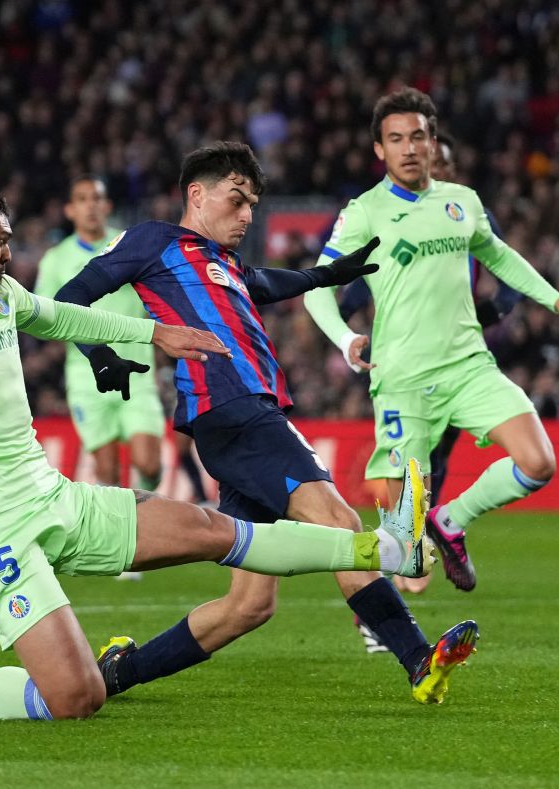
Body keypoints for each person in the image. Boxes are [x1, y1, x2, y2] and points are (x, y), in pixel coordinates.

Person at [0, 158, 433, 721]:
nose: (9, 252)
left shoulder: (2, 296)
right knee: (75, 699)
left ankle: (384, 549)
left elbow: (65, 317)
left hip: (53, 498)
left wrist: (158, 333)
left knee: (215, 531)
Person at [57, 141, 478, 705]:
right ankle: (417, 658)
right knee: (338, 521)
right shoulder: (155, 241)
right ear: (197, 195)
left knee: (250, 605)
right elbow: (70, 296)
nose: (248, 215)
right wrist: (99, 352)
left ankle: (118, 674)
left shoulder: (225, 264)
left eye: (253, 203)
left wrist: (326, 275)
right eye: (237, 200)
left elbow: (265, 282)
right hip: (235, 408)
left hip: (240, 420)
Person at [304, 88, 559, 593]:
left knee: (539, 461)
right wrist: (345, 337)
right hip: (402, 382)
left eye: (418, 136)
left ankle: (451, 521)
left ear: (433, 142)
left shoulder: (462, 203)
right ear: (380, 150)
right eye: (396, 139)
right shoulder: (365, 212)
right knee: (404, 550)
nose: (409, 148)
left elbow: (499, 256)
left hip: (468, 368)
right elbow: (317, 287)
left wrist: (555, 301)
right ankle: (381, 617)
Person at [34, 176, 164, 493]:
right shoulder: (55, 260)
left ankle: (147, 507)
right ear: (69, 210)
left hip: (139, 368)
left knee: (150, 464)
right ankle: (123, 532)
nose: (90, 205)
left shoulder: (129, 247)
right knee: (107, 469)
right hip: (86, 375)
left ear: (107, 206)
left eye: (96, 198)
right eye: (82, 199)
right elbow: (45, 319)